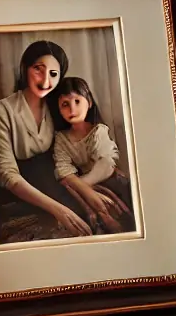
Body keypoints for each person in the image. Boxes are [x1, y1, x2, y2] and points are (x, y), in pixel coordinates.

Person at [0, 41, 92, 239]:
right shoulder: (2, 111)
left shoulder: (59, 107)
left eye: (53, 74)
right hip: (23, 195)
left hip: (58, 184)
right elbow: (7, 174)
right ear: (25, 68)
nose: (45, 81)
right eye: (38, 69)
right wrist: (58, 209)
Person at [52, 76, 135, 233]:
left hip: (110, 181)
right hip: (83, 185)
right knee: (69, 192)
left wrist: (82, 185)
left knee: (118, 210)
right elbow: (64, 170)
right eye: (65, 104)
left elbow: (106, 164)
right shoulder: (61, 139)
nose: (72, 109)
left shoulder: (98, 131)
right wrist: (83, 189)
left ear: (89, 103)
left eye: (77, 101)